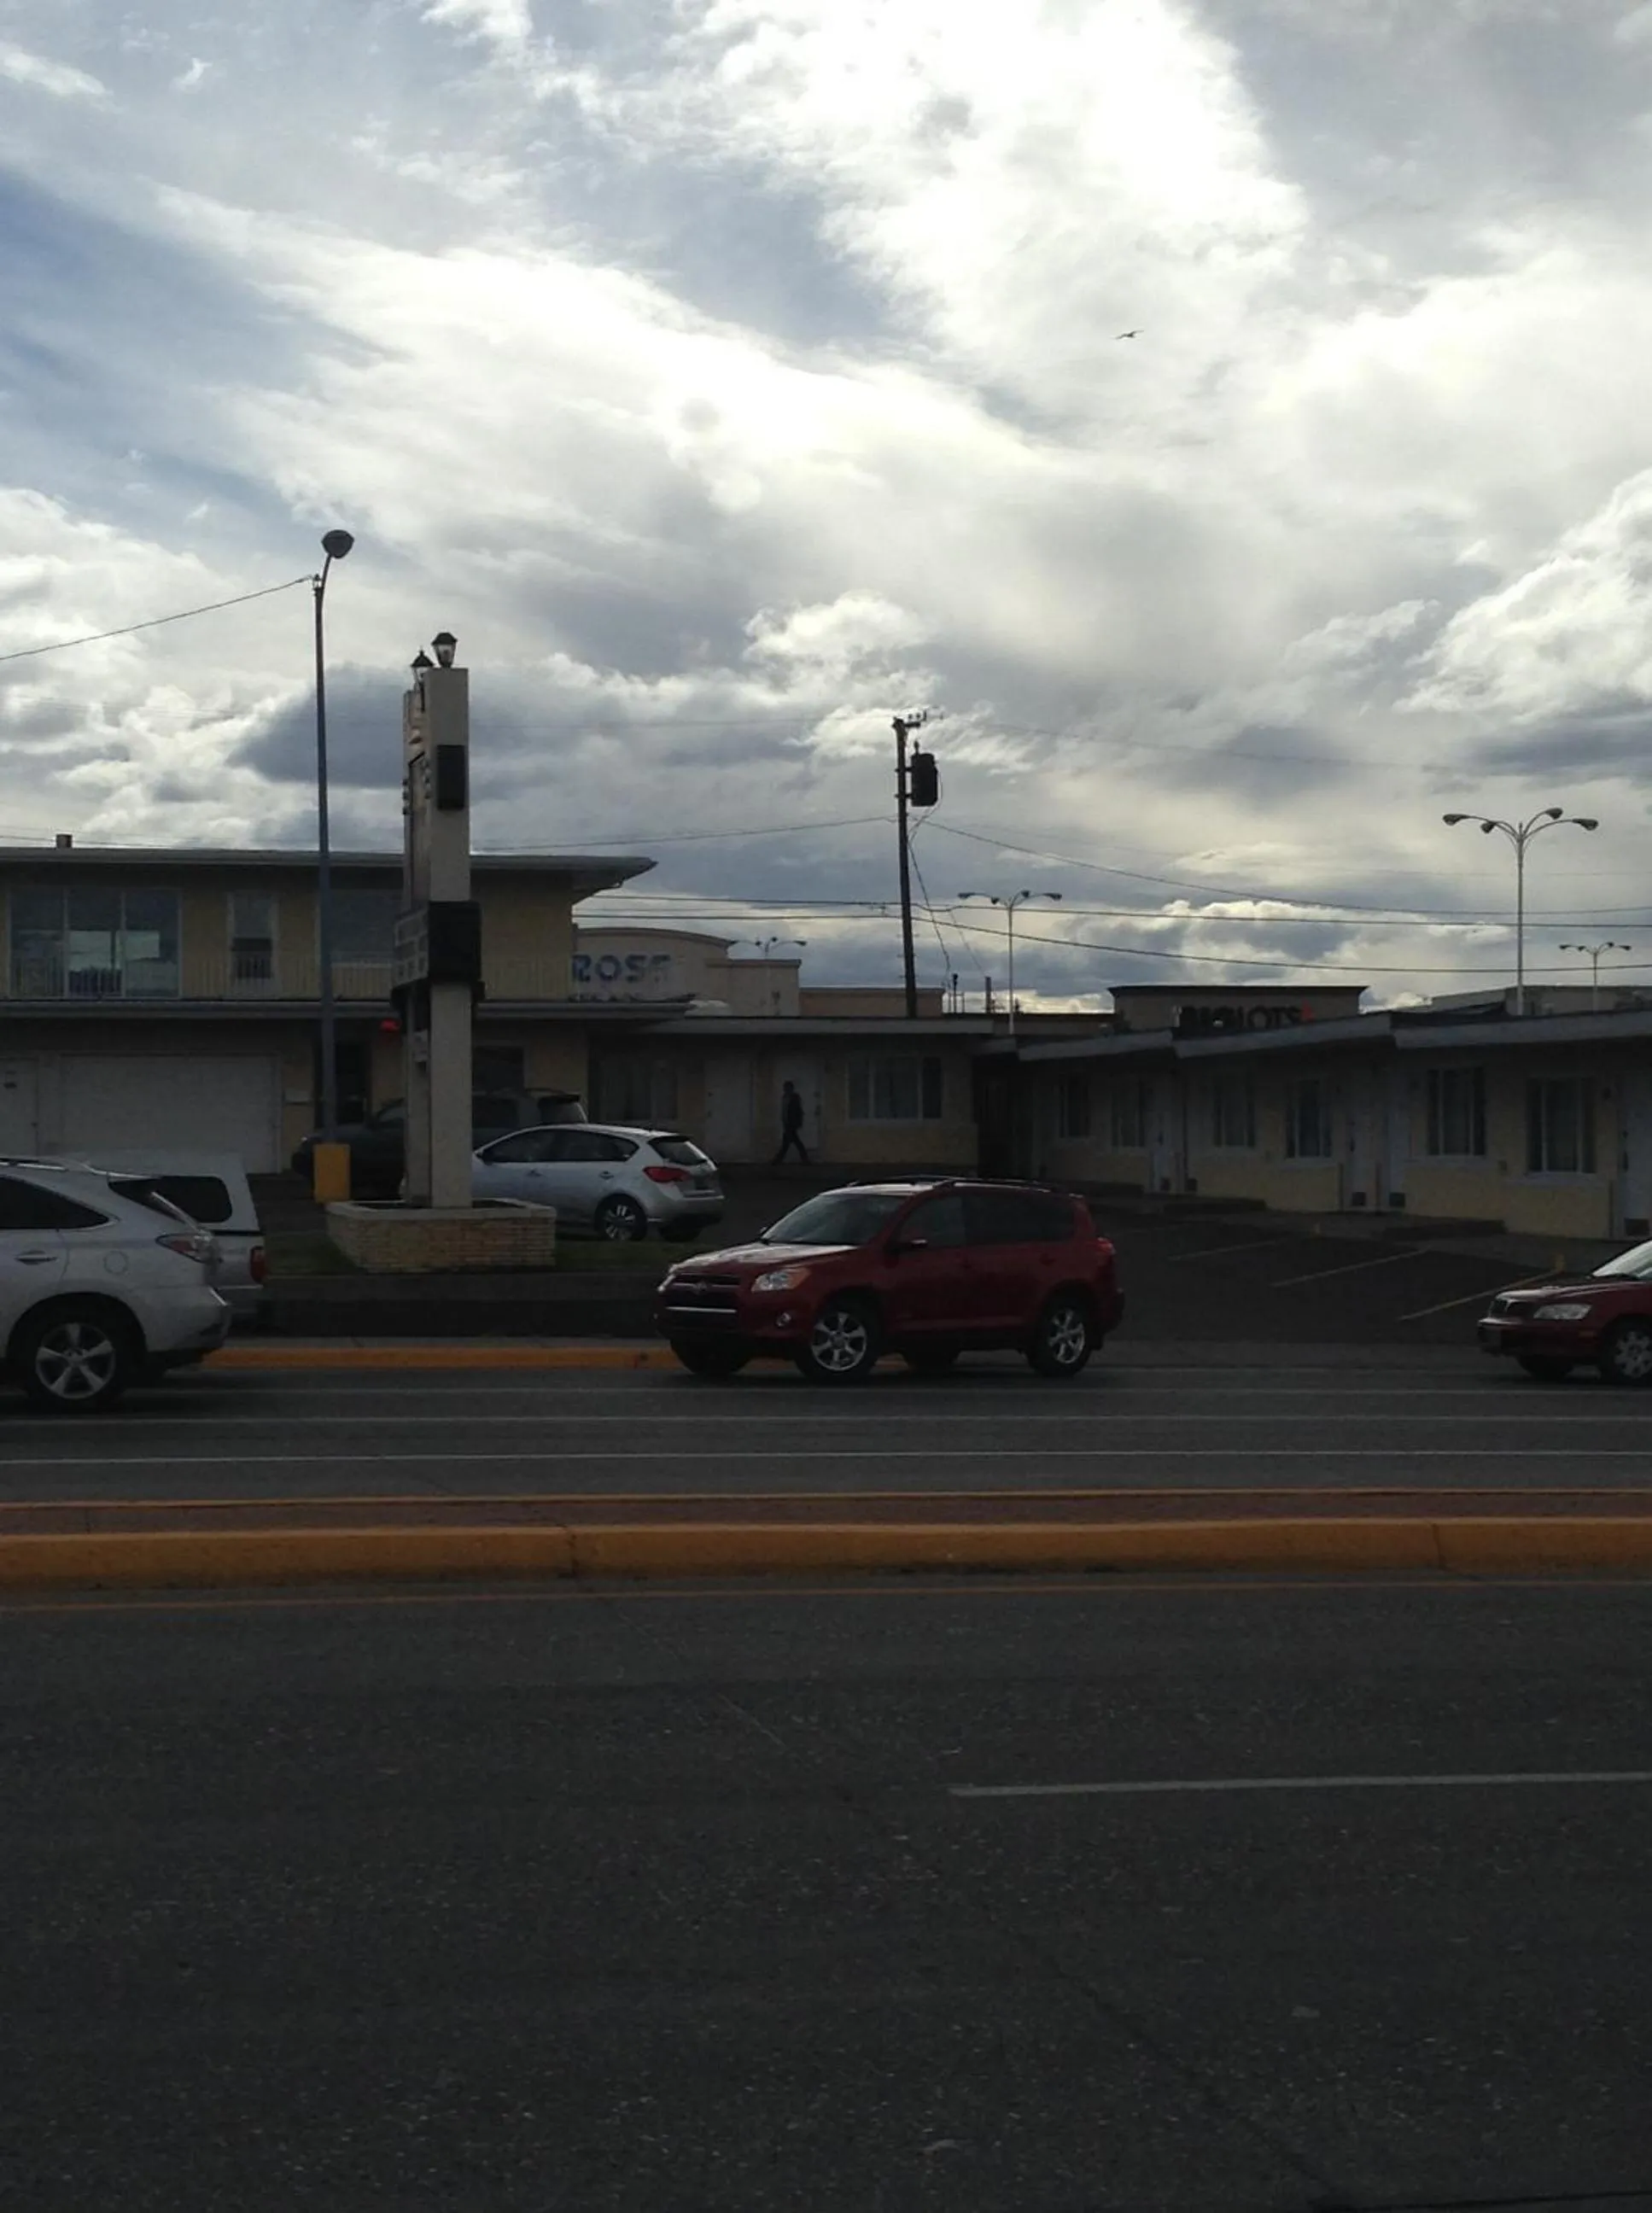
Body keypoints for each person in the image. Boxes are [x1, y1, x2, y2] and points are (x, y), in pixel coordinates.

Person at [773, 1079, 810, 1165]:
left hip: (792, 1123)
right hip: (787, 1123)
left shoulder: (794, 1098)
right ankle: (805, 1159)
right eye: (785, 1088)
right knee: (792, 1142)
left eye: (787, 1088)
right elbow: (784, 1111)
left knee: (789, 1142)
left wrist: (798, 1122)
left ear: (791, 1088)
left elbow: (798, 1111)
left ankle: (778, 1160)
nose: (786, 1089)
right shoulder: (784, 1097)